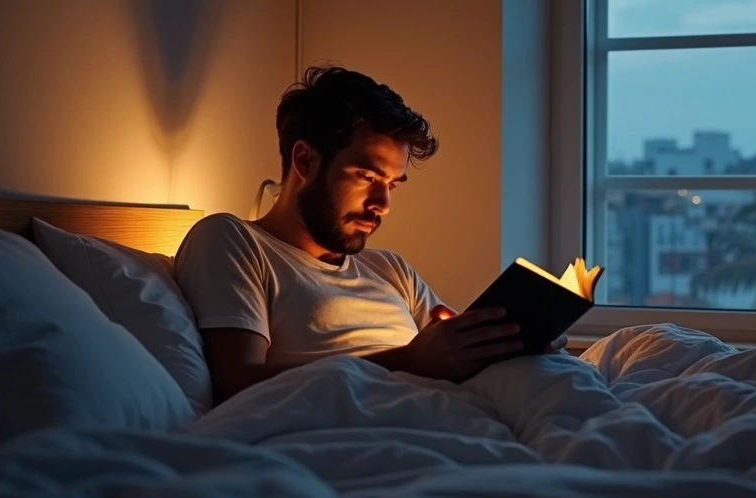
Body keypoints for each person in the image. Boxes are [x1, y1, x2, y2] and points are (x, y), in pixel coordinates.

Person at [174, 65, 567, 403]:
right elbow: (236, 388)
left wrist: (506, 347)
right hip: (367, 433)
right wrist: (407, 362)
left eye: (392, 184)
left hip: (455, 415)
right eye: (366, 176)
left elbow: (449, 355)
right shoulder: (233, 242)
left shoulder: (390, 269)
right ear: (305, 161)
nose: (383, 203)